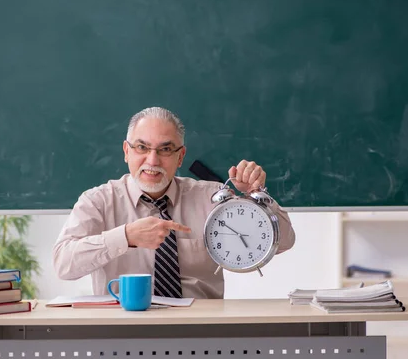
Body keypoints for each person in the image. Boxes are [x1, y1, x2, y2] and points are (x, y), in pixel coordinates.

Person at [52, 107, 296, 299]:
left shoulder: (211, 198)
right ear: (126, 151)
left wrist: (257, 195)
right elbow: (63, 264)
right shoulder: (98, 201)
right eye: (141, 147)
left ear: (180, 156)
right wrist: (125, 236)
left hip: (203, 335)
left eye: (165, 149)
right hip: (125, 337)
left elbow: (284, 241)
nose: (152, 160)